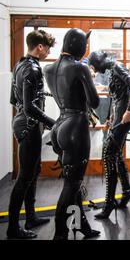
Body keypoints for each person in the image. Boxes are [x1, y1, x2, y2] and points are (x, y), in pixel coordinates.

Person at [45, 28, 100, 240]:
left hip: (59, 125)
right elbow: (94, 101)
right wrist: (89, 78)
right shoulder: (80, 68)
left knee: (74, 183)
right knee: (71, 186)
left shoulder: (49, 68)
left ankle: (81, 226)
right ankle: (60, 235)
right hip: (76, 127)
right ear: (79, 46)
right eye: (85, 46)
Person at [7, 30, 56, 239]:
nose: (48, 52)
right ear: (40, 47)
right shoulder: (33, 69)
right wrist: (54, 123)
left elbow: (13, 100)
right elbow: (29, 107)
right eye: (48, 48)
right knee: (25, 177)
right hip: (28, 126)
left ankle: (31, 217)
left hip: (25, 124)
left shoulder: (20, 64)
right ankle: (12, 228)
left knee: (33, 172)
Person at [87, 51, 130, 219]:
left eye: (95, 66)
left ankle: (109, 202)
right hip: (118, 117)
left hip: (124, 118)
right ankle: (126, 192)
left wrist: (129, 111)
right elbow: (115, 97)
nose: (96, 70)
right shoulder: (112, 70)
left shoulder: (117, 67)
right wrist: (110, 116)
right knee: (116, 155)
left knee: (108, 155)